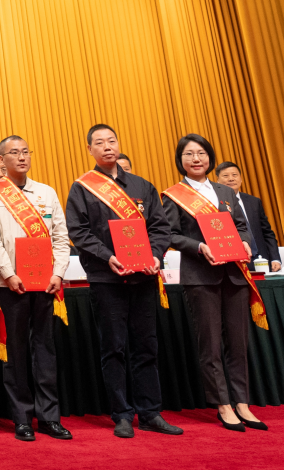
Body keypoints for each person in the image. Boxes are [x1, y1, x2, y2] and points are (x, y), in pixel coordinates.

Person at [64, 124, 180, 439]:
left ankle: (150, 412)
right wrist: (108, 257)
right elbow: (78, 232)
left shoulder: (143, 186)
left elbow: (160, 227)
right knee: (113, 348)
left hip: (143, 277)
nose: (107, 146)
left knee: (146, 346)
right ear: (90, 149)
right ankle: (122, 414)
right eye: (99, 142)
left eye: (111, 140)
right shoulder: (82, 189)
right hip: (107, 279)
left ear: (118, 144)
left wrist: (155, 255)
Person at [161, 135, 267, 433]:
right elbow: (169, 234)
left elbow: (242, 226)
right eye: (189, 154)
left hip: (234, 273)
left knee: (238, 342)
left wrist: (244, 242)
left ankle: (242, 402)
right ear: (180, 160)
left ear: (210, 157)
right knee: (210, 344)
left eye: (201, 153)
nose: (196, 159)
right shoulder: (174, 195)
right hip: (200, 276)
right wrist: (198, 247)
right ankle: (223, 404)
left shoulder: (225, 191)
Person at [0, 135, 72, 442]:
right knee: (15, 351)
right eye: (14, 153)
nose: (21, 157)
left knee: (45, 350)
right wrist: (8, 274)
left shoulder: (46, 192)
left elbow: (61, 238)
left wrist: (58, 273)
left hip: (45, 283)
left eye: (25, 152)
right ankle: (22, 418)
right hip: (10, 285)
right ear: (2, 160)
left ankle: (49, 417)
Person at [215, 162, 282, 271]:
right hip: (233, 262)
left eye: (234, 175)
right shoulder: (215, 203)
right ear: (217, 181)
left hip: (261, 260)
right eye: (225, 176)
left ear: (241, 179)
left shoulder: (253, 201)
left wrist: (275, 258)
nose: (231, 179)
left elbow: (267, 232)